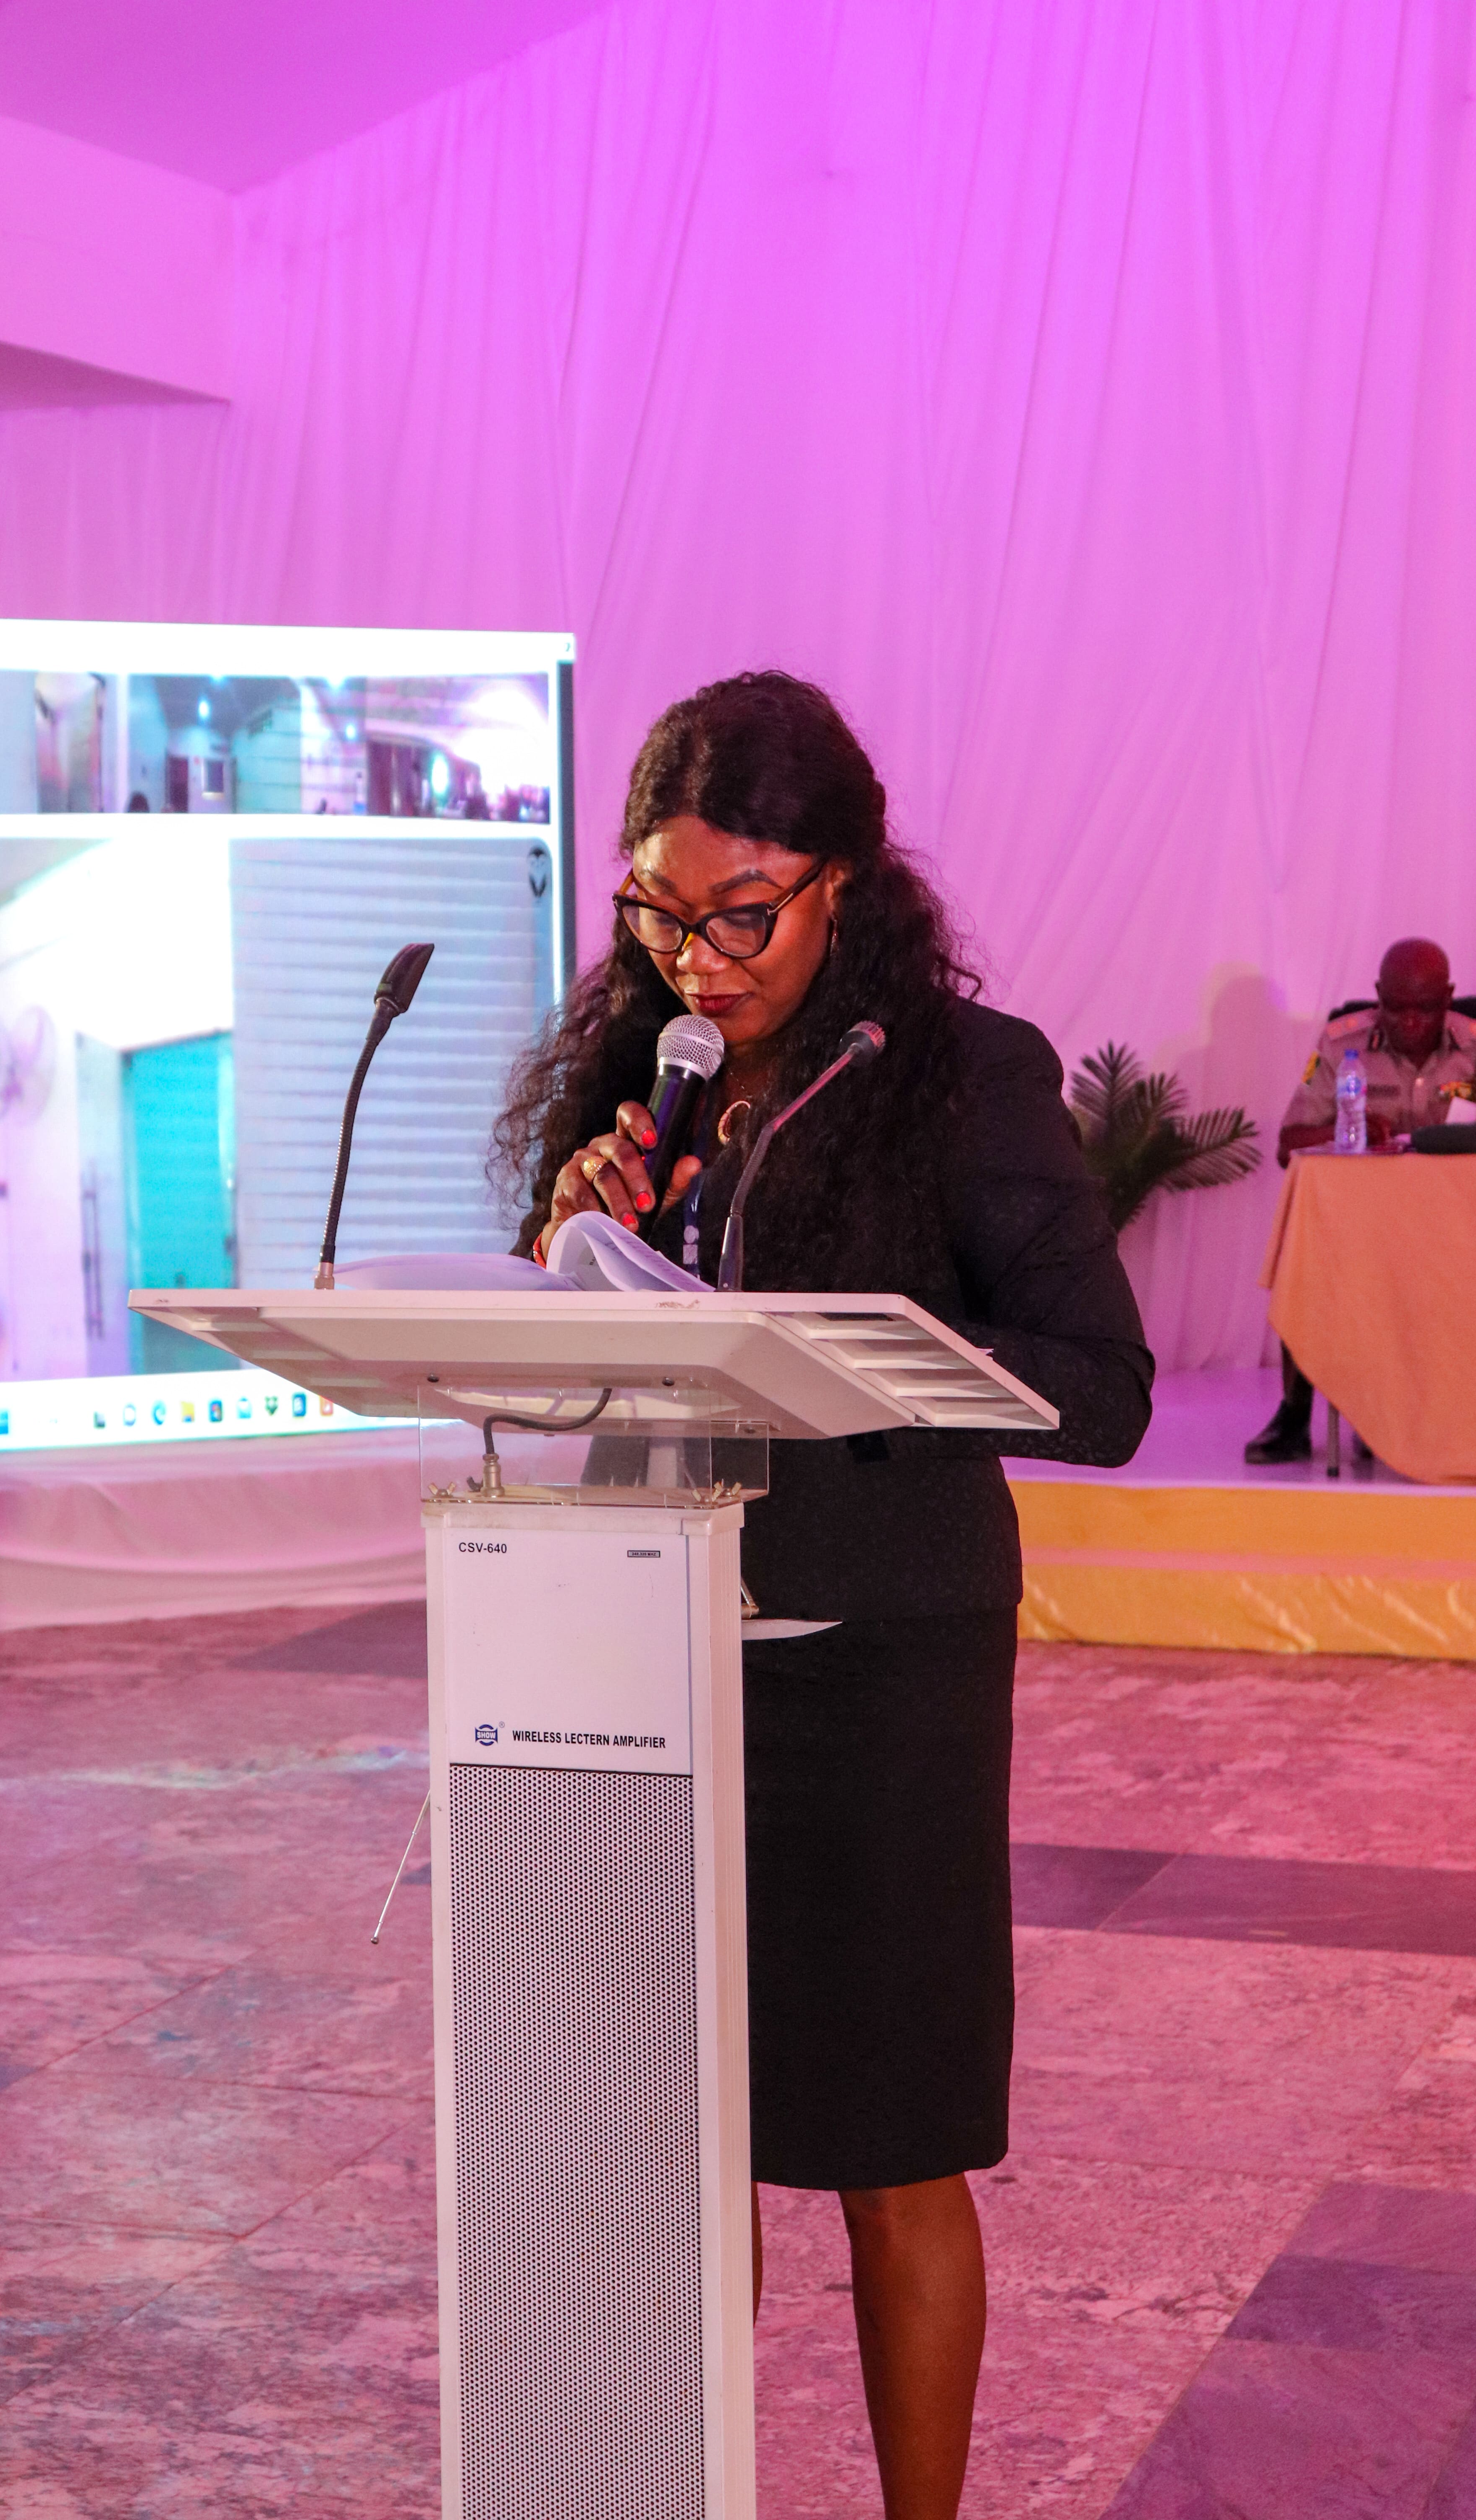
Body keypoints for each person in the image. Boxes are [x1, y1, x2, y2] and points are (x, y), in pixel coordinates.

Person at [495, 673, 1153, 2520]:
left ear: (841, 884)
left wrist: (864, 1357)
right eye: (657, 910)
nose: (692, 958)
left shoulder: (958, 1074)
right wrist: (571, 1237)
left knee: (890, 2146)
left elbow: (1098, 1386)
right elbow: (578, 1356)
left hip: (876, 1668)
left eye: (739, 915)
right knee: (679, 2143)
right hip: (651, 1648)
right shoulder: (650, 1072)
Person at [1246, 937, 1476, 1464]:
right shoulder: (1343, 1045)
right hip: (1369, 1231)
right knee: (1306, 1256)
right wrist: (1347, 1125)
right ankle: (1294, 1414)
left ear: (1448, 997)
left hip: (1462, 1231)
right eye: (1396, 1007)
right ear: (1378, 995)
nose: (1410, 1022)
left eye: (1425, 1008)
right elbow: (1288, 1145)